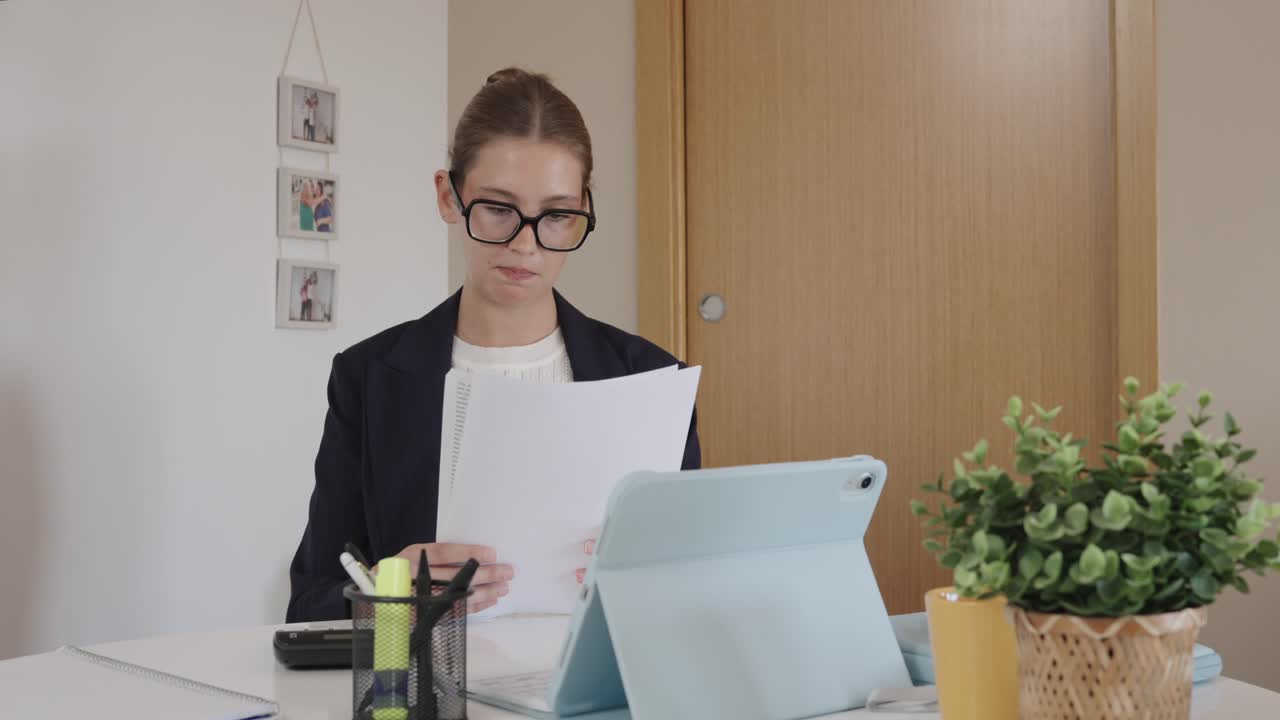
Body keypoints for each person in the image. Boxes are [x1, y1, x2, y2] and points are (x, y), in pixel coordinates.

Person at [286, 67, 701, 622]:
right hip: (429, 697)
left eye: (556, 216)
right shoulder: (368, 377)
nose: (525, 244)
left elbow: (697, 593)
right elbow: (308, 604)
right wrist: (388, 593)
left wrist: (651, 581)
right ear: (448, 197)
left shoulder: (651, 381)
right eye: (499, 209)